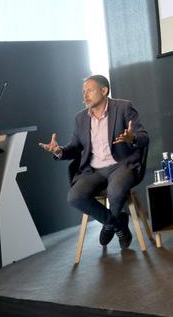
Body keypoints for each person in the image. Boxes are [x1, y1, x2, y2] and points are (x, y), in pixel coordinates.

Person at [39, 75, 148, 250]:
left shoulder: (123, 107)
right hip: (93, 170)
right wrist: (59, 151)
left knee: (116, 191)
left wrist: (131, 137)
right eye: (83, 92)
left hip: (120, 165)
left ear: (104, 91)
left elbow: (143, 137)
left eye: (89, 90)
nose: (85, 95)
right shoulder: (80, 118)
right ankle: (117, 224)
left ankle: (109, 224)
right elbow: (75, 147)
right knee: (74, 197)